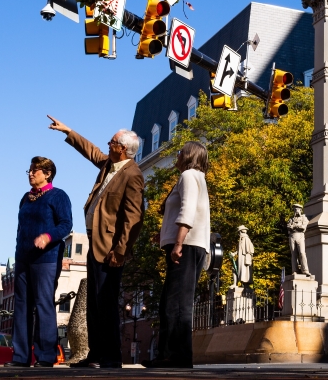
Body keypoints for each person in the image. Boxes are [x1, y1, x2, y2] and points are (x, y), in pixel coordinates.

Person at [47, 116, 143, 369]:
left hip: (110, 248)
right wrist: (68, 131)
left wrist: (120, 251)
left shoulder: (132, 174)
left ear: (122, 149)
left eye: (112, 142)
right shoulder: (109, 165)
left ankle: (111, 357)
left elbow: (133, 217)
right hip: (95, 241)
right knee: (94, 302)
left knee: (107, 302)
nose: (107, 145)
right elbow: (91, 151)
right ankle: (95, 354)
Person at [145, 141, 210, 369]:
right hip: (189, 244)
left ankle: (177, 356)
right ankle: (168, 354)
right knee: (170, 302)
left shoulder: (189, 176)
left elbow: (188, 209)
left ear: (189, 155)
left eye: (181, 151)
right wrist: (163, 235)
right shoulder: (193, 177)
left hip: (188, 245)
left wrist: (178, 242)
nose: (178, 154)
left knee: (177, 304)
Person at [5, 156, 73, 368]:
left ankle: (46, 356)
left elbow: (66, 225)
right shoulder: (26, 198)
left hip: (46, 259)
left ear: (48, 173)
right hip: (23, 259)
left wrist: (47, 237)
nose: (31, 173)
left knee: (43, 305)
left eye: (35, 170)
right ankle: (20, 357)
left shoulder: (58, 196)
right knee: (22, 307)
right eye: (30, 170)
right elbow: (20, 230)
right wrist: (18, 253)